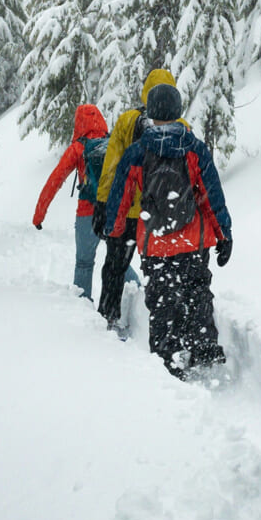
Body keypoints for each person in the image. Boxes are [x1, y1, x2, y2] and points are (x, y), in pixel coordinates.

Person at [104, 83, 233, 379]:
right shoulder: (195, 149)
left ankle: (168, 357)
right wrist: (223, 233)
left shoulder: (138, 152)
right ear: (178, 110)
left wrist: (115, 229)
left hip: (155, 243)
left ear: (150, 112)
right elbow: (213, 195)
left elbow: (120, 196)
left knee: (162, 301)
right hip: (193, 241)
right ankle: (202, 348)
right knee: (197, 292)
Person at [93, 69, 188, 330]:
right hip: (161, 217)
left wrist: (103, 204)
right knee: (163, 273)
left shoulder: (127, 121)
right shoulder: (182, 128)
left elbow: (111, 167)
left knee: (114, 266)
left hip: (126, 213)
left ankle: (108, 316)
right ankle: (165, 327)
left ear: (146, 91)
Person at [31, 104, 136, 300]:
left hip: (87, 214)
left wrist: (39, 215)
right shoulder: (113, 143)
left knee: (84, 263)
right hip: (113, 212)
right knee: (119, 260)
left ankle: (83, 310)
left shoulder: (78, 148)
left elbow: (54, 181)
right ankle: (137, 296)